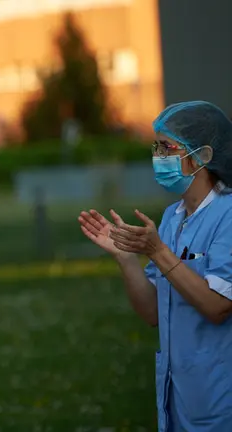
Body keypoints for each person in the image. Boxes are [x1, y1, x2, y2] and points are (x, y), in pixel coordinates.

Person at [78, 101, 232, 431]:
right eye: (156, 146)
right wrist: (126, 256)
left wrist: (158, 251)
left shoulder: (228, 215)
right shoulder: (172, 218)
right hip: (178, 400)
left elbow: (218, 306)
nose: (158, 156)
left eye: (167, 147)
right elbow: (152, 312)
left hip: (220, 399)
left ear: (202, 155)